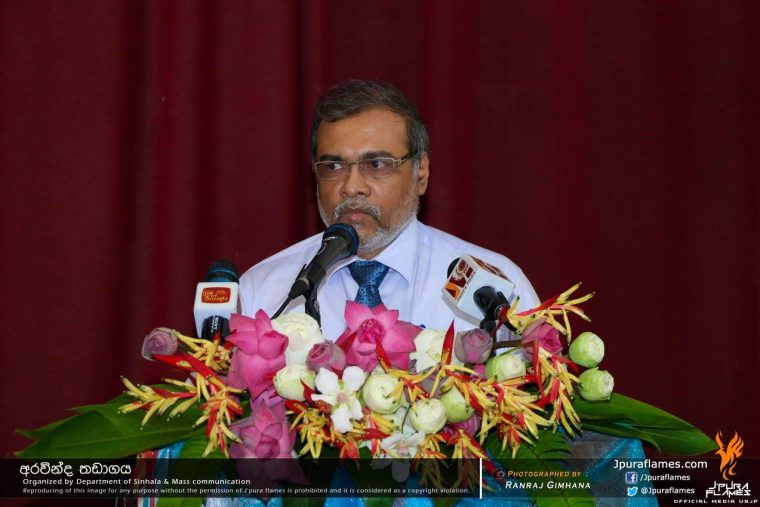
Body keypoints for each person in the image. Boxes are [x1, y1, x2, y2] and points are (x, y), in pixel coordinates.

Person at [239, 80, 539, 338]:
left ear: (421, 172)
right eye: (333, 166)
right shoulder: (265, 292)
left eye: (376, 164)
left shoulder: (498, 288)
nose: (352, 187)